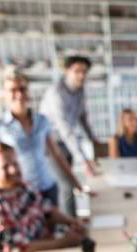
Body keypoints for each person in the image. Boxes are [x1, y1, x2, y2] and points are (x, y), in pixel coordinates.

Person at [0, 66, 86, 208]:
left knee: (53, 227)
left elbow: (57, 154)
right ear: (4, 94)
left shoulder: (42, 120)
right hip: (20, 191)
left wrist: (75, 182)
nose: (19, 94)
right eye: (12, 90)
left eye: (22, 89)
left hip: (47, 186)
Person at [0, 142, 86, 252]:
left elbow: (48, 211)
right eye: (5, 167)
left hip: (50, 249)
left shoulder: (24, 186)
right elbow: (17, 249)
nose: (13, 170)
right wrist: (63, 242)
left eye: (15, 163)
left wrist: (72, 222)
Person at [40, 55, 100, 216]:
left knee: (69, 184)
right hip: (51, 145)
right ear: (67, 71)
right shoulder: (56, 93)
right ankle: (71, 227)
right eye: (77, 71)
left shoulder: (80, 90)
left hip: (66, 142)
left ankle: (72, 222)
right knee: (67, 186)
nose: (81, 75)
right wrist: (84, 161)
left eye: (84, 71)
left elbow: (82, 117)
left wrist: (93, 139)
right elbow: (65, 129)